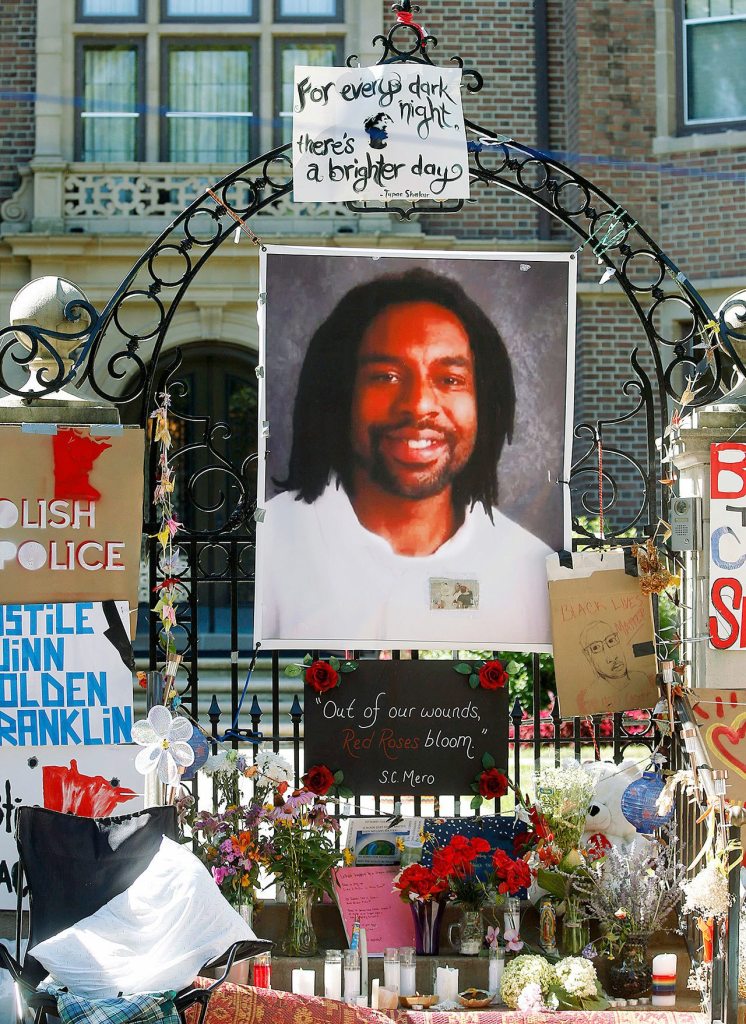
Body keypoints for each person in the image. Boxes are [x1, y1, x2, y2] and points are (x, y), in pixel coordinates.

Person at [256, 267, 555, 648]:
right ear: (341, 393)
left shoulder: (525, 566)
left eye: (450, 380)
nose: (418, 406)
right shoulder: (272, 543)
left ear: (483, 402)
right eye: (386, 376)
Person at [579, 620, 650, 689]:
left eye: (611, 640)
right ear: (588, 656)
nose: (612, 657)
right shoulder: (592, 696)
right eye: (596, 647)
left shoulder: (642, 678)